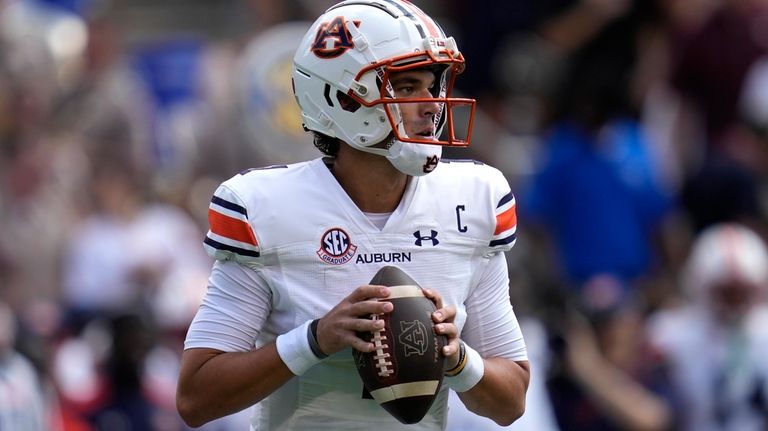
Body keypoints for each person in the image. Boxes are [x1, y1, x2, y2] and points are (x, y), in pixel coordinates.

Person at [175, 1, 530, 430]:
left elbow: (511, 402)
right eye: (406, 87)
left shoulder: (472, 200)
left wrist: (458, 360)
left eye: (433, 86)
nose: (432, 105)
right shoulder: (266, 208)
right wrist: (315, 339)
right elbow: (195, 398)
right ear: (342, 96)